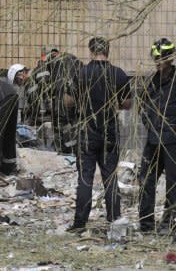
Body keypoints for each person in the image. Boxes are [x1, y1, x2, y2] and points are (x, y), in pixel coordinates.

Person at [68, 37, 130, 233]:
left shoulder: (81, 73)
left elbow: (68, 101)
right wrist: (113, 104)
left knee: (85, 178)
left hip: (87, 132)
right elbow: (127, 104)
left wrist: (82, 104)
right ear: (108, 51)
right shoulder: (118, 74)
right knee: (110, 176)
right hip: (110, 133)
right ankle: (114, 219)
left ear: (91, 51)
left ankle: (79, 224)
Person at [138, 38, 176, 233]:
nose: (159, 61)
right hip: (153, 140)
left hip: (172, 142)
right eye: (157, 58)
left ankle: (168, 224)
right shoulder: (152, 81)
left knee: (173, 184)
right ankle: (145, 224)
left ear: (170, 58)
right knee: (145, 179)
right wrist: (149, 123)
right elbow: (143, 107)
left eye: (162, 58)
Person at [37, 48, 82, 154]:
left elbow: (45, 83)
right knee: (72, 126)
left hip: (62, 101)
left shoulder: (56, 64)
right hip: (74, 100)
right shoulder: (74, 60)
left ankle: (67, 151)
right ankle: (73, 152)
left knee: (64, 126)